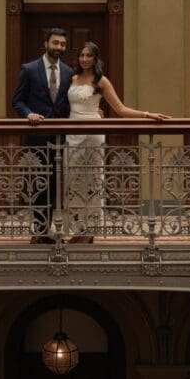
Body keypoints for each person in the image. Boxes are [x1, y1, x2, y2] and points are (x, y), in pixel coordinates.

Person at [65, 41, 169, 244]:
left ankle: (89, 231)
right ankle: (78, 228)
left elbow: (120, 109)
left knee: (92, 181)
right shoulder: (72, 78)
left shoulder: (101, 81)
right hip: (72, 133)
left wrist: (147, 114)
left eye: (89, 55)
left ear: (95, 58)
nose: (84, 59)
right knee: (72, 181)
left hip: (92, 134)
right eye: (82, 55)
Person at [11, 27, 73, 243]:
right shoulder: (29, 69)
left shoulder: (68, 72)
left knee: (56, 183)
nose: (59, 47)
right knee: (39, 183)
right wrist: (29, 114)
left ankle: (53, 230)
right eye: (55, 43)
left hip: (61, 137)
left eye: (62, 44)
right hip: (36, 136)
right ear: (46, 44)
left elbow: (69, 104)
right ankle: (39, 231)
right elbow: (17, 101)